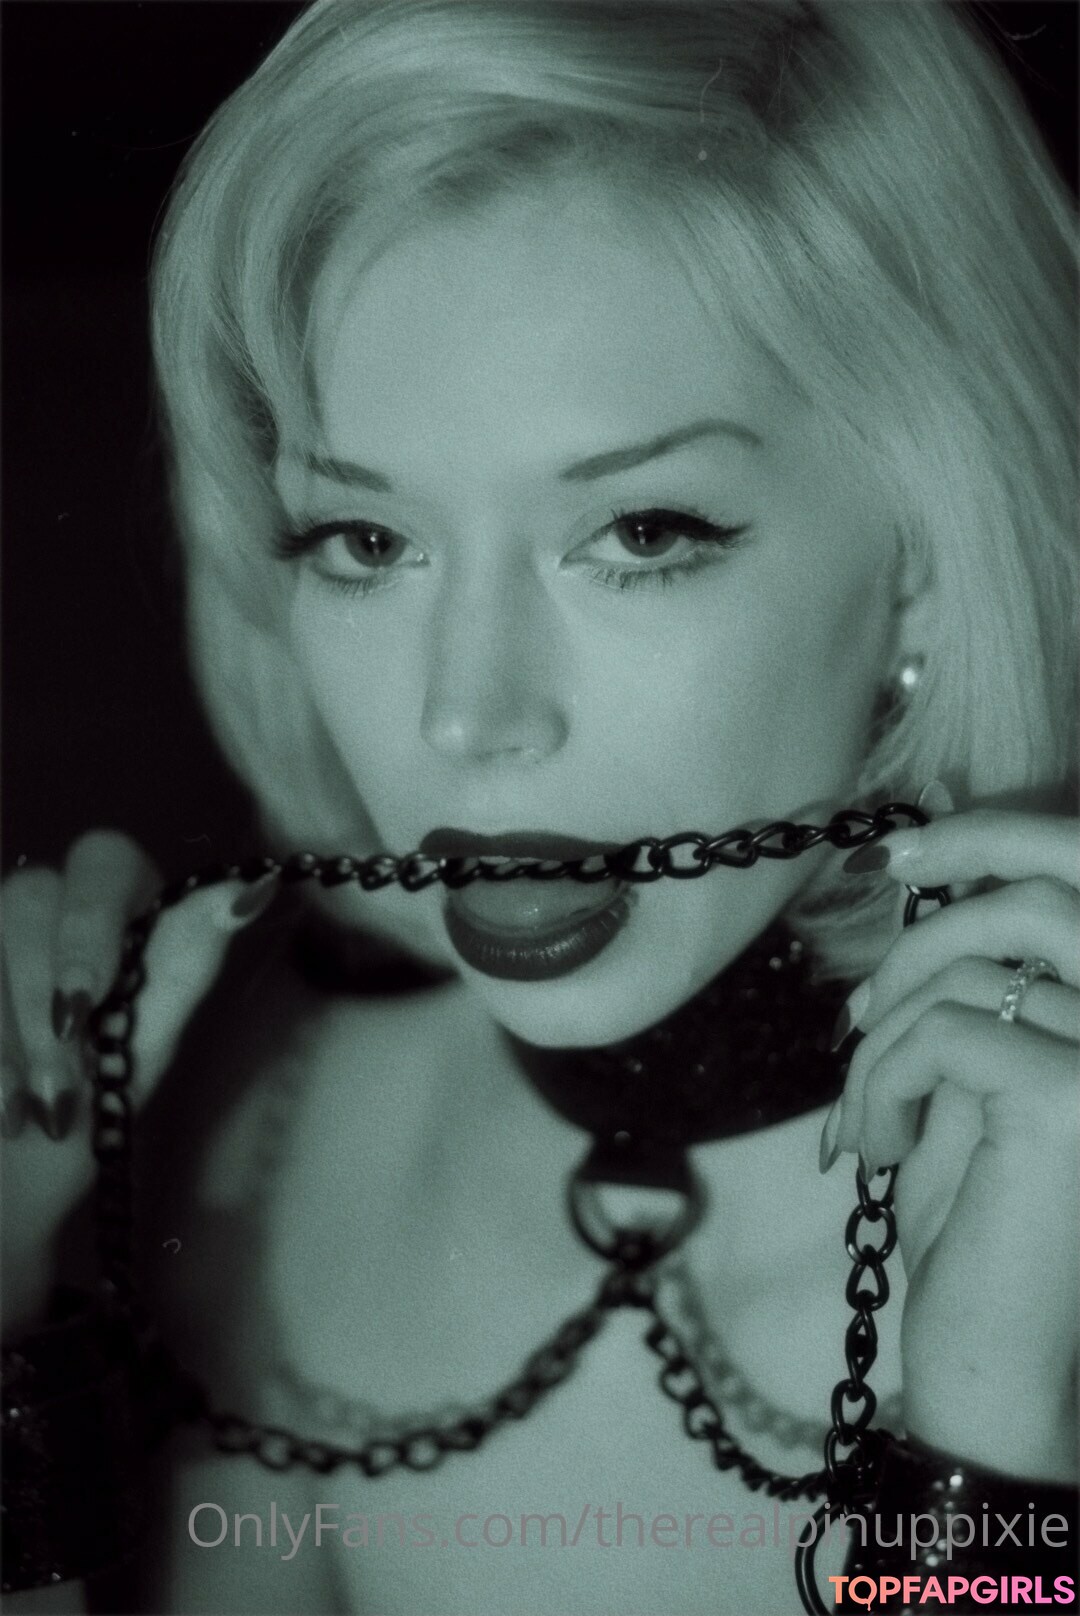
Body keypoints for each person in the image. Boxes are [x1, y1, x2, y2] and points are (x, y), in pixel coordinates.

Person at [2, 1, 1077, 1612]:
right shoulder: (271, 1128)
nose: (467, 719)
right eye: (366, 542)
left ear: (926, 562)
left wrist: (997, 1448)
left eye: (640, 532)